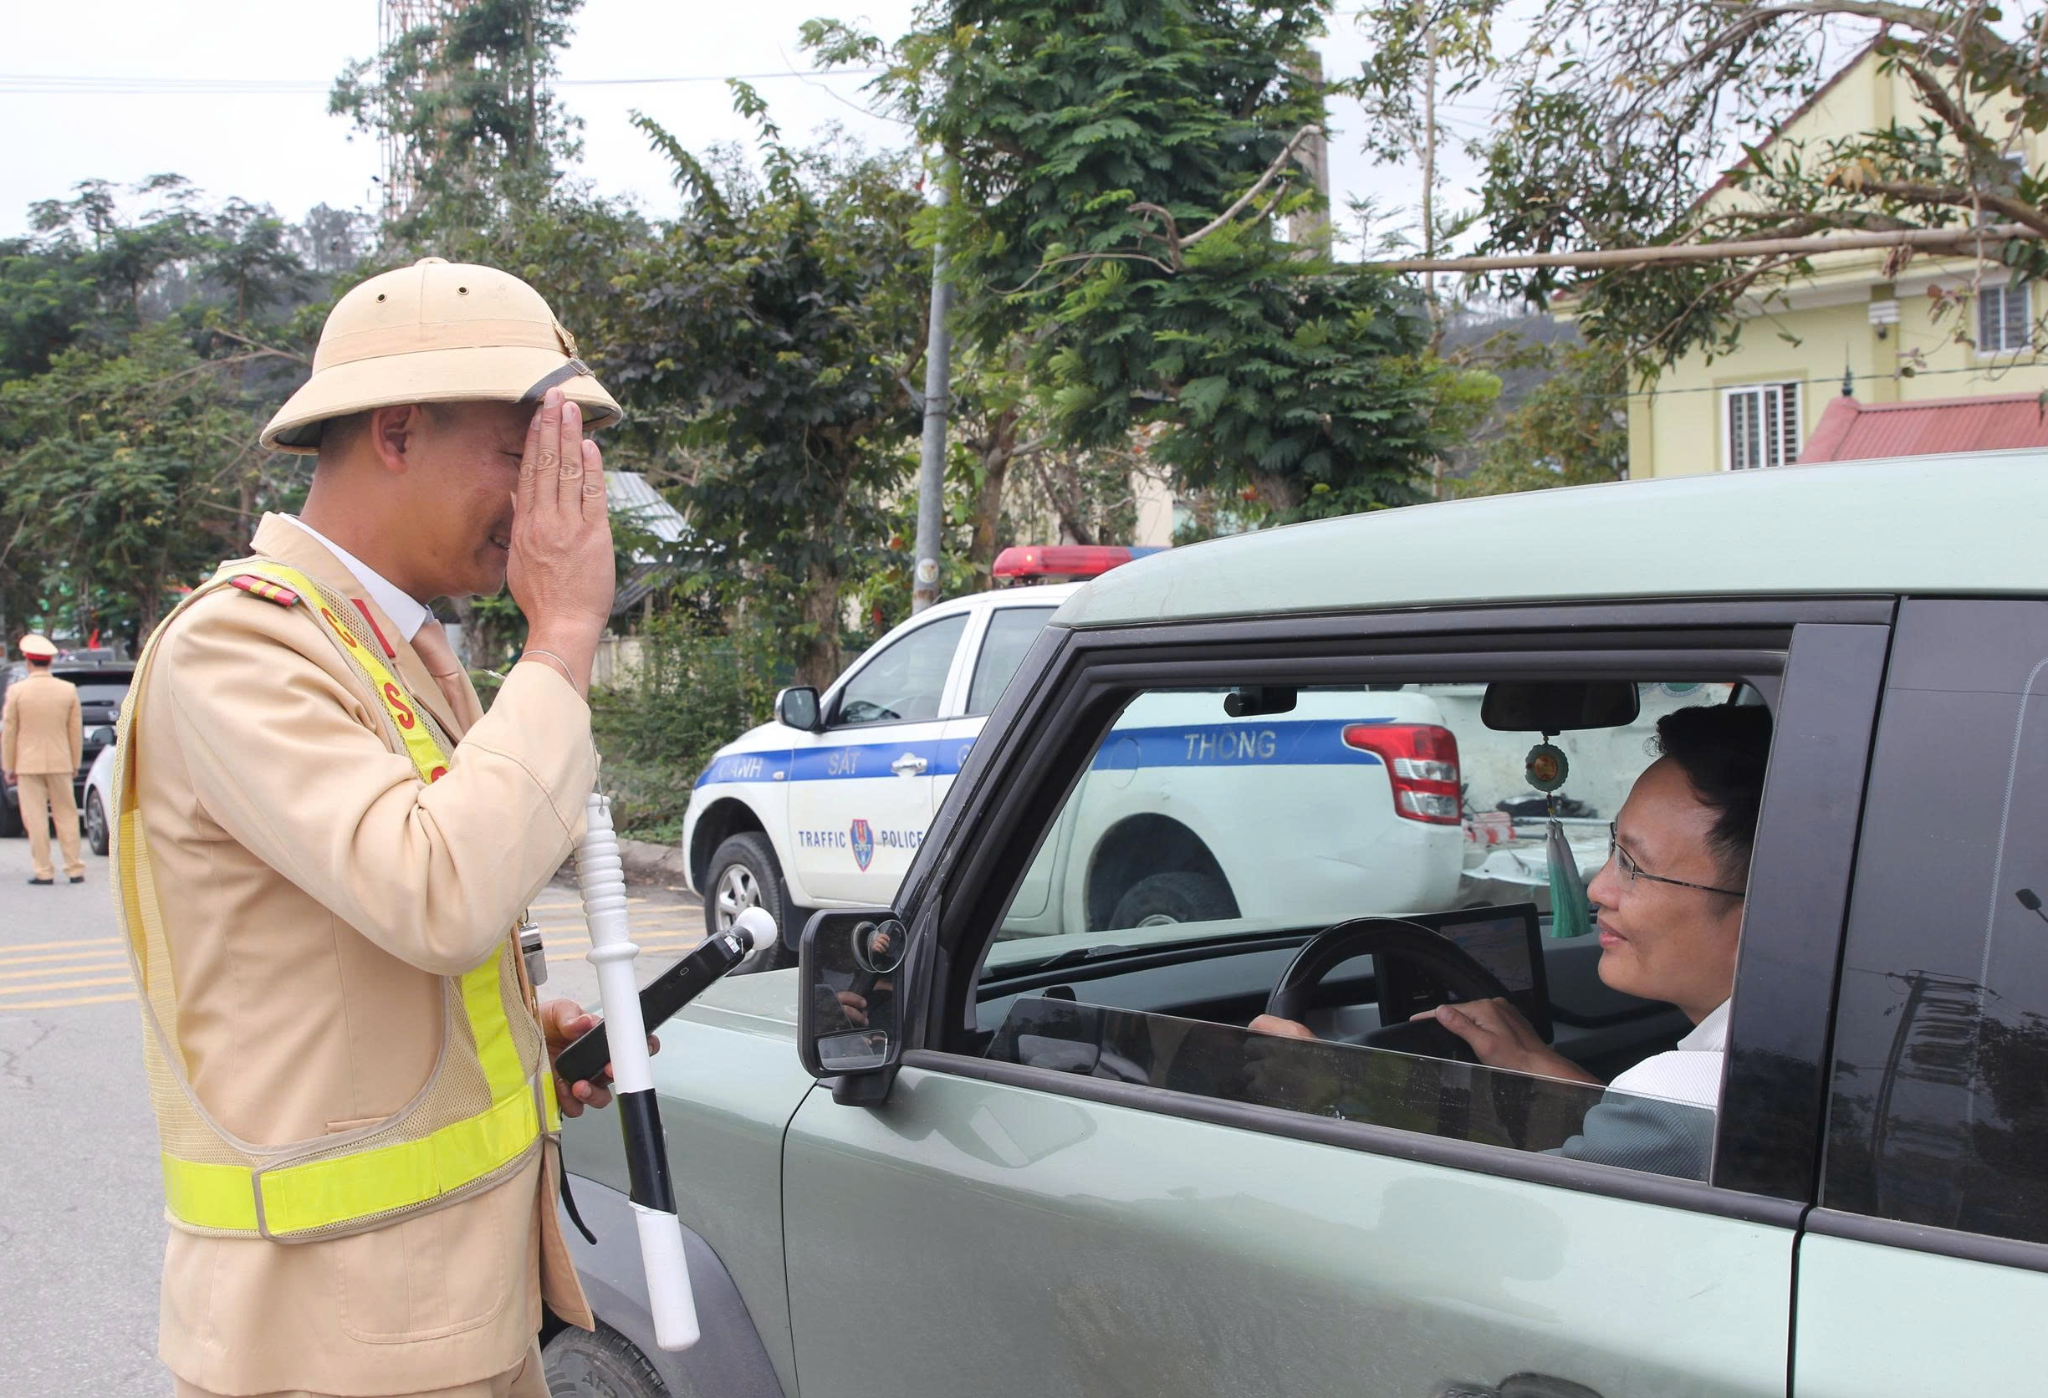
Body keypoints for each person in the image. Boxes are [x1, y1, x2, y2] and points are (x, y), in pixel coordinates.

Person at [115, 257, 639, 1398]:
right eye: (521, 454)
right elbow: (439, 892)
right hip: (329, 1339)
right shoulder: (238, 649)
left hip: (444, 1311)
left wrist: (516, 1032)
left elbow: (382, 941)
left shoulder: (394, 650)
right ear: (396, 432)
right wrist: (562, 638)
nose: (549, 500)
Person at [1253, 702, 1773, 1116]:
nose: (1597, 891)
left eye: (1634, 866)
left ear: (1767, 915)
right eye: (1613, 851)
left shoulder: (1687, 1096)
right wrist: (1532, 1061)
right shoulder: (1767, 1080)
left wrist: (1320, 1091)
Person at [2, 633, 84, 886]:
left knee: (35, 818)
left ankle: (44, 871)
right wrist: (74, 763)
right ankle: (74, 869)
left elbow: (9, 731)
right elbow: (75, 731)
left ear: (28, 661)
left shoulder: (16, 691)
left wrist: (8, 766)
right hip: (61, 762)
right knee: (67, 814)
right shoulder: (67, 690)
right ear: (50, 662)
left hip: (27, 764)